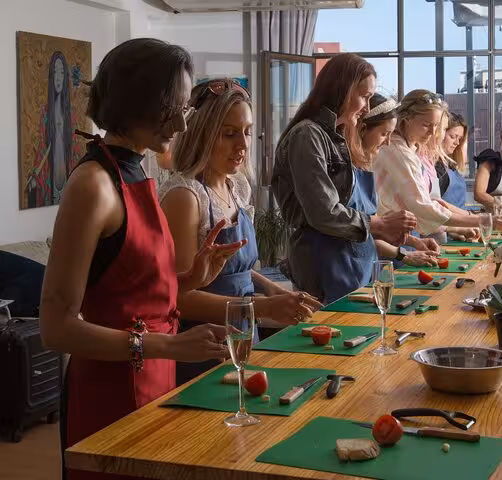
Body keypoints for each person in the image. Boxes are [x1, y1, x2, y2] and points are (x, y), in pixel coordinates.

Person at [39, 39, 243, 480]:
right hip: (107, 395)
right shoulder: (93, 185)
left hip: (155, 381)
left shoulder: (139, 169)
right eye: (175, 107)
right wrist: (169, 344)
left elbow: (130, 291)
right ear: (136, 101)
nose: (183, 122)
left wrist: (188, 280)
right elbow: (55, 327)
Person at [160, 78, 322, 385]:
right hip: (204, 346)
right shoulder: (185, 196)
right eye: (230, 134)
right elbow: (180, 298)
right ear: (201, 135)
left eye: (248, 132)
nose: (243, 145)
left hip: (244, 332)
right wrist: (262, 306)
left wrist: (271, 289)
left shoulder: (236, 188)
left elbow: (234, 269)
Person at [272, 53, 416, 304]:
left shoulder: (338, 136)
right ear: (342, 89)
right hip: (324, 264)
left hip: (356, 264)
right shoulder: (307, 135)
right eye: (365, 97)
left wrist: (386, 230)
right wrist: (379, 224)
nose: (367, 109)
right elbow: (323, 212)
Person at [374, 89, 502, 239]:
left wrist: (464, 225)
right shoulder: (398, 151)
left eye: (437, 126)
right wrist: (481, 220)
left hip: (408, 236)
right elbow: (423, 206)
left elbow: (433, 202)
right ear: (407, 119)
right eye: (426, 125)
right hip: (390, 236)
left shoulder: (411, 148)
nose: (433, 132)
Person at [358, 92, 440, 267]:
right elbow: (359, 230)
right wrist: (405, 254)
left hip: (365, 261)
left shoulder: (364, 166)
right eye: (383, 134)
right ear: (363, 129)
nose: (387, 143)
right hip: (346, 264)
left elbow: (374, 225)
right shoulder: (354, 168)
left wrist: (413, 242)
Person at [27, 51, 76, 207]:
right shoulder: (45, 112)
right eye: (55, 72)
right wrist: (35, 175)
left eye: (62, 72)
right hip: (51, 176)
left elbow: (74, 149)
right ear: (51, 76)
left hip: (68, 175)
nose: (58, 77)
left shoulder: (71, 114)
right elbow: (43, 147)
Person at [437, 112, 468, 208]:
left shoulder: (451, 165)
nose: (457, 143)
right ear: (441, 133)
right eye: (453, 137)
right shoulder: (436, 168)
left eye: (460, 139)